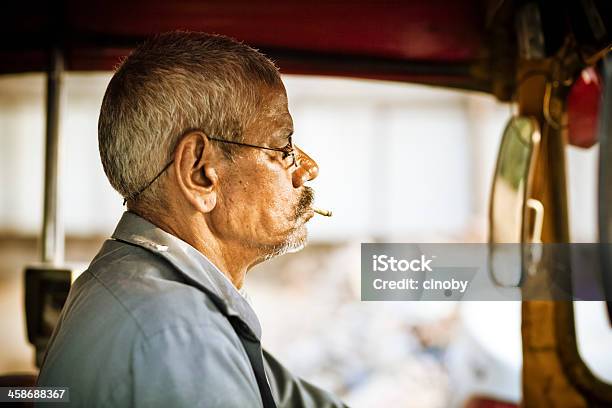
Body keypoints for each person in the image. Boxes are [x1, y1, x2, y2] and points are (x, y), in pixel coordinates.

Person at [37, 31, 346, 408]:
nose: (307, 168)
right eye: (282, 146)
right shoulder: (181, 333)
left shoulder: (140, 284)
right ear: (200, 172)